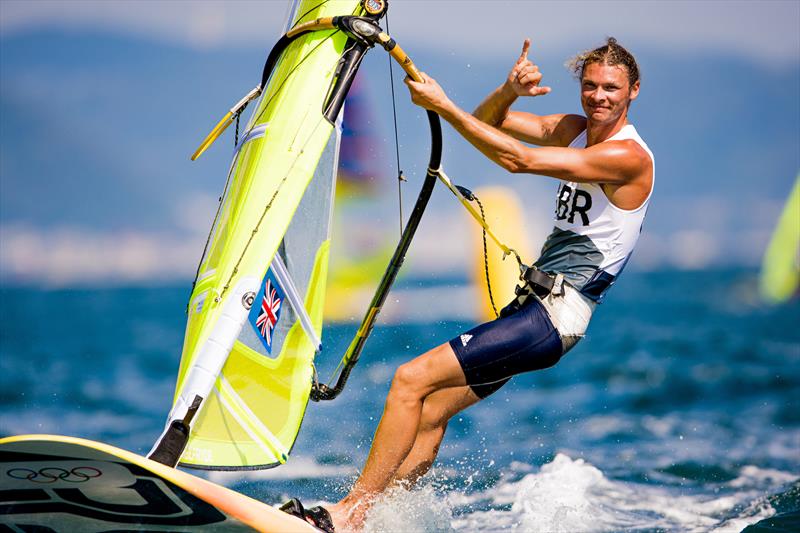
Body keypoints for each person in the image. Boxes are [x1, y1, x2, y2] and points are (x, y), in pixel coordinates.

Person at [284, 36, 654, 532]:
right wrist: (507, 90)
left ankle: (350, 514)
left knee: (409, 380)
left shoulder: (628, 157)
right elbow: (490, 123)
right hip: (532, 310)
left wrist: (442, 104)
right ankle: (384, 518)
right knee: (432, 409)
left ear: (632, 91)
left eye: (610, 87)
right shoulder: (575, 129)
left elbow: (518, 160)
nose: (598, 96)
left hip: (552, 318)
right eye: (589, 85)